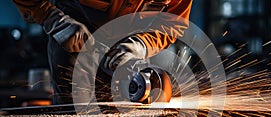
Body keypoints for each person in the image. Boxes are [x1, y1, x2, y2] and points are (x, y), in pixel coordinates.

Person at [12, 0, 193, 105]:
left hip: (125, 47)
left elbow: (172, 23)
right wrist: (51, 18)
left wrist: (140, 45)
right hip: (75, 37)